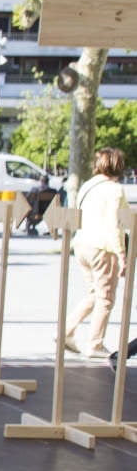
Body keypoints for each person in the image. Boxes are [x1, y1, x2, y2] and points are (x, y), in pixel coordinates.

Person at [64, 147, 131, 357]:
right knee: (106, 298)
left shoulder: (88, 185)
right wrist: (122, 254)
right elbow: (115, 223)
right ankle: (95, 343)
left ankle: (65, 330)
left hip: (82, 243)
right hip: (103, 247)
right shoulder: (114, 189)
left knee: (94, 292)